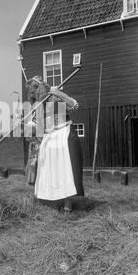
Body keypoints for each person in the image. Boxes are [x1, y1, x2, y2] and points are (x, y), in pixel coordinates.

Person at [26, 75, 84, 212]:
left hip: (63, 134)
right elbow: (35, 127)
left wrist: (59, 93)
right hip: (49, 138)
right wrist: (24, 125)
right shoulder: (37, 107)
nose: (35, 93)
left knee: (65, 170)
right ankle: (53, 201)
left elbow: (75, 106)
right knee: (50, 171)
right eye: (32, 92)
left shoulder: (56, 97)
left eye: (36, 89)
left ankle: (67, 205)